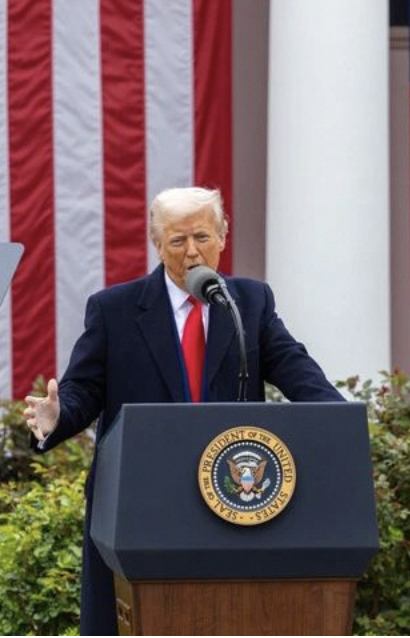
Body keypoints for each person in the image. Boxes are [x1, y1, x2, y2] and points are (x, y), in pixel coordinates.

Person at [23, 186, 342, 635]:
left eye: (202, 237)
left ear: (223, 236)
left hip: (231, 500)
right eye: (177, 240)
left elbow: (296, 369)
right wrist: (56, 419)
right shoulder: (114, 310)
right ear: (157, 244)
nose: (192, 251)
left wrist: (340, 421)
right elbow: (83, 389)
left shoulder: (250, 304)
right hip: (142, 503)